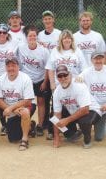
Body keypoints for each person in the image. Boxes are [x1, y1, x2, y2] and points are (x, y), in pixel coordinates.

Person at [77, 51, 106, 150]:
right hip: (97, 107)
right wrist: (78, 80)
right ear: (92, 60)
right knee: (98, 137)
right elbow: (77, 80)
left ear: (104, 59)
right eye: (96, 59)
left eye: (100, 58)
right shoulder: (87, 72)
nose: (98, 61)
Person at [52, 65, 101, 149]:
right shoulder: (57, 92)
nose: (63, 78)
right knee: (54, 117)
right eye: (60, 76)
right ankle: (72, 134)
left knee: (84, 121)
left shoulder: (79, 86)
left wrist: (67, 120)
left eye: (65, 75)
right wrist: (56, 136)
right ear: (56, 77)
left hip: (92, 110)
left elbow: (85, 110)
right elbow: (57, 115)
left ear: (70, 74)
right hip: (75, 112)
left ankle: (87, 139)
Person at [0, 57, 36, 151]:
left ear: (18, 66)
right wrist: (12, 109)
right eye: (8, 66)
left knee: (25, 112)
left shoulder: (25, 78)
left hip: (25, 106)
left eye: (13, 65)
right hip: (11, 108)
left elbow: (28, 101)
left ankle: (25, 139)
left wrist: (11, 108)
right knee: (13, 138)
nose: (11, 68)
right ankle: (30, 126)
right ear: (5, 67)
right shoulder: (0, 80)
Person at [17, 25, 49, 136]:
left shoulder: (43, 50)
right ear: (26, 37)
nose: (32, 37)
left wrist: (45, 81)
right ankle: (27, 122)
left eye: (34, 35)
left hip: (40, 79)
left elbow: (47, 67)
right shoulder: (21, 48)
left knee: (41, 102)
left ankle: (40, 125)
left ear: (37, 37)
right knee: (27, 102)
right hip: (26, 80)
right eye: (30, 35)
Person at [0, 23, 18, 136]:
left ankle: (14, 121)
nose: (2, 34)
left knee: (12, 98)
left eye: (4, 32)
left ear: (7, 34)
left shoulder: (14, 44)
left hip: (11, 75)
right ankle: (4, 125)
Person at [37, 10, 61, 140]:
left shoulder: (59, 34)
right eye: (45, 19)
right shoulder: (40, 35)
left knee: (55, 100)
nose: (47, 21)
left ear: (53, 20)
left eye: (49, 18)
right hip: (44, 70)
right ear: (43, 21)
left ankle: (54, 125)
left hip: (57, 70)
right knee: (44, 100)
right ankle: (45, 124)